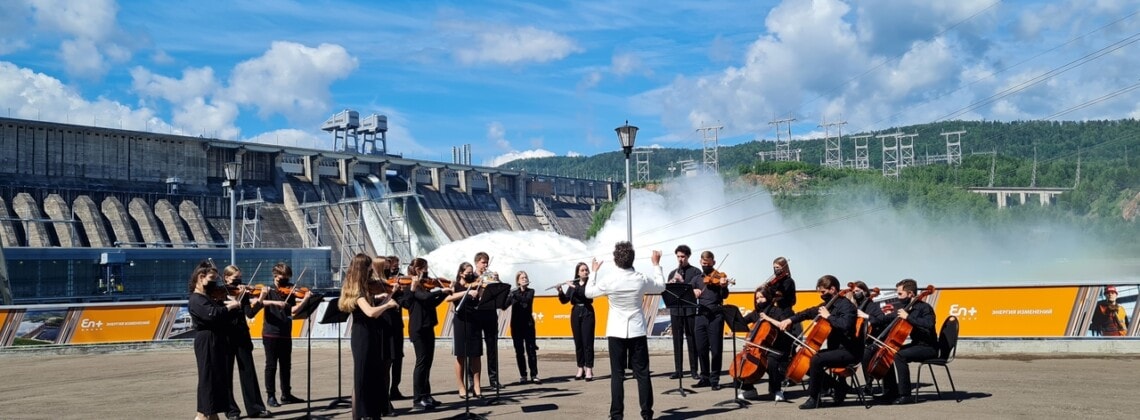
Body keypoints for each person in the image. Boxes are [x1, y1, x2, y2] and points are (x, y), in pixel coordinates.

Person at [584, 242, 666, 420]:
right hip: (637, 330)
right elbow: (661, 286)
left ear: (615, 260)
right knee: (643, 374)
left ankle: (616, 415)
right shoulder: (640, 278)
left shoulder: (610, 280)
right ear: (633, 259)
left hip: (616, 330)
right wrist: (656, 264)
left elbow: (589, 293)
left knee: (617, 375)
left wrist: (594, 271)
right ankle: (646, 414)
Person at [776, 275, 861, 409]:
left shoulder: (847, 306)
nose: (821, 295)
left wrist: (829, 317)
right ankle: (839, 386)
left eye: (823, 292)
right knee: (805, 360)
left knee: (816, 360)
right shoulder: (829, 305)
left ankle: (814, 398)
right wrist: (790, 320)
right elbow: (808, 313)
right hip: (836, 350)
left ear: (833, 289)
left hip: (849, 350)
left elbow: (846, 325)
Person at [339, 253, 401, 419]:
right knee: (361, 377)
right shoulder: (356, 291)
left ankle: (372, 412)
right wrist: (387, 305)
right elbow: (371, 312)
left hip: (371, 333)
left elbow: (375, 309)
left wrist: (389, 296)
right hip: (362, 336)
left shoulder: (364, 288)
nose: (370, 270)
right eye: (368, 267)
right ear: (362, 268)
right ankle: (359, 415)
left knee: (373, 375)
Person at [737, 256, 797, 402]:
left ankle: (776, 389)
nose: (759, 301)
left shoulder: (778, 307)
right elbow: (742, 323)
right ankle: (748, 389)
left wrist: (768, 316)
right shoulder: (756, 313)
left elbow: (782, 324)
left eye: (762, 298)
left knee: (772, 362)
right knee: (741, 362)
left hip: (774, 346)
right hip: (758, 347)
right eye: (757, 298)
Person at [188, 262, 241, 420]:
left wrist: (233, 305)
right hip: (207, 340)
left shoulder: (206, 297)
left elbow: (223, 317)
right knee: (209, 378)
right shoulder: (196, 299)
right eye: (212, 278)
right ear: (201, 277)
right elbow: (212, 315)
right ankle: (204, 413)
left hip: (216, 340)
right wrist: (229, 307)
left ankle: (210, 413)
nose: (215, 283)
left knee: (216, 379)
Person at [872, 278, 936, 405]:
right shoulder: (906, 307)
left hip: (929, 347)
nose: (898, 296)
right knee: (889, 353)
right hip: (916, 344)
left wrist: (908, 317)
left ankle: (905, 395)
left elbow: (929, 324)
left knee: (899, 355)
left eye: (900, 294)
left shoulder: (925, 308)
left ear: (911, 294)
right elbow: (888, 317)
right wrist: (870, 319)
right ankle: (890, 392)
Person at [400, 257, 451, 411]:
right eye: (425, 268)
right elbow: (425, 297)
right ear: (417, 269)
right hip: (418, 328)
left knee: (428, 362)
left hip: (428, 326)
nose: (427, 272)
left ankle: (426, 395)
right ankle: (417, 399)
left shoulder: (423, 285)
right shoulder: (411, 285)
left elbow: (431, 302)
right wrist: (441, 290)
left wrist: (445, 293)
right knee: (421, 362)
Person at [221, 265, 271, 420]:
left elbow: (249, 313)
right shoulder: (220, 293)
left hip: (242, 336)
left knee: (248, 373)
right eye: (235, 279)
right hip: (226, 337)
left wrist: (261, 298)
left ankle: (255, 408)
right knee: (226, 375)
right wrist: (234, 299)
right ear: (226, 278)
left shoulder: (243, 293)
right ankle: (231, 411)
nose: (238, 282)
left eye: (239, 278)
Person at [261, 262, 309, 407]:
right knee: (271, 365)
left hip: (285, 332)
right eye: (284, 278)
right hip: (270, 332)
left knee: (286, 365)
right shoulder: (268, 290)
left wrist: (306, 299)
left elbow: (293, 310)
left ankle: (286, 394)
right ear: (275, 276)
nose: (287, 281)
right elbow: (258, 303)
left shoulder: (290, 290)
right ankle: (270, 396)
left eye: (288, 278)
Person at [446, 261, 484, 399]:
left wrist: (480, 290)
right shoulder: (455, 285)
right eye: (468, 273)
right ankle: (461, 386)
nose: (470, 275)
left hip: (474, 320)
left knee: (476, 354)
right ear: (461, 273)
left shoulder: (476, 283)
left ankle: (477, 386)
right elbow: (449, 298)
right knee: (461, 355)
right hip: (461, 321)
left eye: (471, 272)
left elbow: (480, 300)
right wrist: (466, 292)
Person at [692, 250, 729, 389]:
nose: (705, 266)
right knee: (701, 348)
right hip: (700, 315)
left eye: (708, 264)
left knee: (716, 350)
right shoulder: (696, 279)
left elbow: (724, 296)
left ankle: (715, 379)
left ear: (713, 262)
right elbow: (688, 294)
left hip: (716, 316)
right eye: (703, 263)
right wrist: (693, 292)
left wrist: (724, 286)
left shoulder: (720, 277)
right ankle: (704, 377)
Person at [665, 245, 700, 381]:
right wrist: (671, 283)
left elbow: (696, 291)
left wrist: (682, 281)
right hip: (676, 310)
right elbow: (668, 291)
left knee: (692, 340)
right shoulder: (673, 272)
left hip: (690, 310)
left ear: (688, 256)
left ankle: (694, 370)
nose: (680, 259)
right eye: (678, 256)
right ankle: (678, 370)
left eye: (683, 257)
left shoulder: (695, 272)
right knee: (677, 341)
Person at [557, 262, 596, 381]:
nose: (585, 272)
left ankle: (589, 368)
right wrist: (560, 291)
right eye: (582, 270)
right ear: (578, 272)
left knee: (587, 342)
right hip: (576, 312)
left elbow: (587, 296)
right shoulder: (573, 284)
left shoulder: (590, 283)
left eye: (586, 270)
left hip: (587, 311)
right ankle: (580, 367)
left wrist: (575, 287)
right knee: (578, 342)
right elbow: (565, 300)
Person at [471, 251, 503, 390]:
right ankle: (472, 381)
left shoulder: (490, 276)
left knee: (492, 347)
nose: (486, 265)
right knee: (473, 349)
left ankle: (494, 379)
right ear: (477, 263)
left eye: (487, 262)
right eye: (483, 262)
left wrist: (498, 280)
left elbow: (500, 291)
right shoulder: (471, 276)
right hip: (476, 313)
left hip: (490, 312)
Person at [850, 281, 889, 390]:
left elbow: (881, 320)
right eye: (853, 292)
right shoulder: (855, 306)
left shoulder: (872, 306)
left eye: (857, 291)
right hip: (859, 340)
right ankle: (841, 385)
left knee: (865, 353)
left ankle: (869, 383)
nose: (855, 293)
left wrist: (866, 316)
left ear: (865, 291)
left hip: (873, 341)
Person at [509, 271, 540, 385]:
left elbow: (526, 301)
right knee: (519, 351)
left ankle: (534, 375)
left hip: (528, 325)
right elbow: (504, 305)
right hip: (516, 325)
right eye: (522, 278)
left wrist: (514, 294)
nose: (524, 279)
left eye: (525, 277)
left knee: (531, 350)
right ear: (518, 281)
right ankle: (523, 375)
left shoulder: (530, 291)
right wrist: (507, 294)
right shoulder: (513, 293)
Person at [384, 255, 408, 401]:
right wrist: (393, 290)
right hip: (386, 323)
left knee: (398, 357)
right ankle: (385, 391)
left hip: (397, 323)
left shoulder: (400, 280)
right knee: (388, 359)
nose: (396, 267)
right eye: (393, 265)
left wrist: (403, 290)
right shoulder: (381, 283)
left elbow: (404, 302)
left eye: (397, 265)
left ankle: (395, 388)